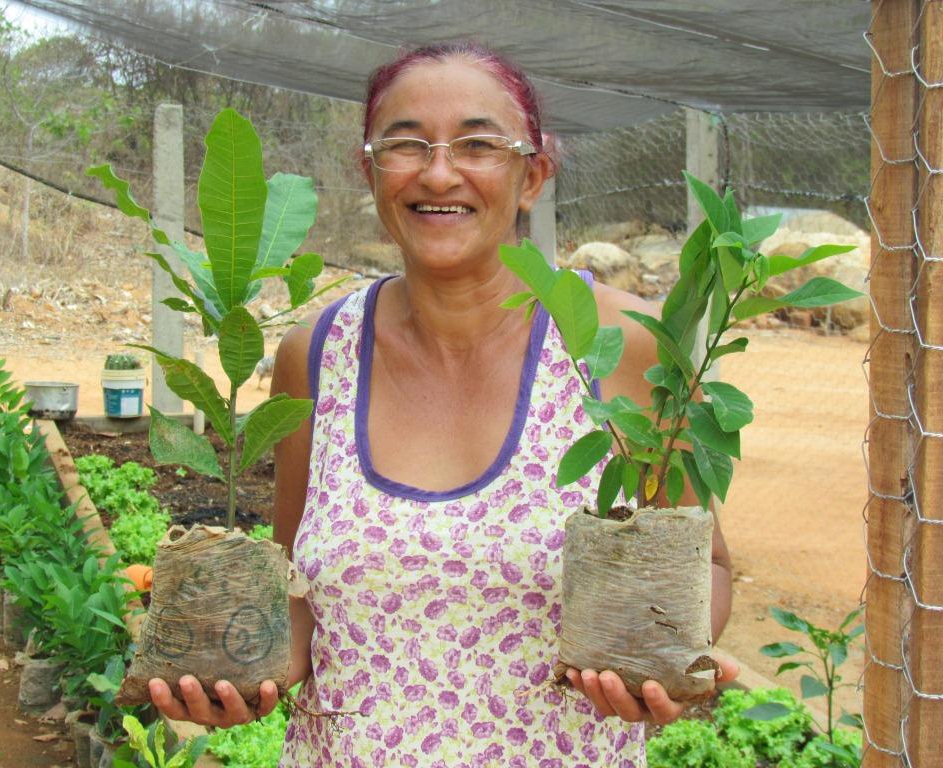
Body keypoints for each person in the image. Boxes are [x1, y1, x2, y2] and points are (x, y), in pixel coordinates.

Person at [149, 41, 735, 766]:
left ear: (533, 175)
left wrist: (669, 660)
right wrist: (244, 669)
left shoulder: (624, 347)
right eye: (406, 146)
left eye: (478, 144)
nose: (438, 172)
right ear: (370, 172)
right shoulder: (319, 352)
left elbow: (704, 563)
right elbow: (298, 583)